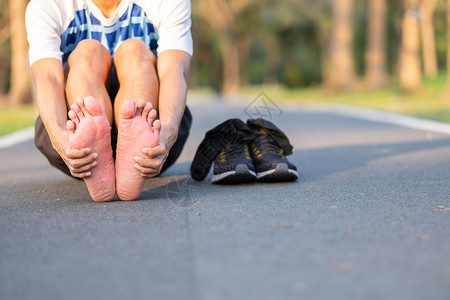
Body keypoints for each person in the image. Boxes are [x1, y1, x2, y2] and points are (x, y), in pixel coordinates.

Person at [26, 0, 193, 202]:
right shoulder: (48, 5)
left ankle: (134, 153)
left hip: (155, 138)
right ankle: (91, 138)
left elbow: (174, 70)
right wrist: (60, 137)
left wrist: (167, 133)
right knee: (87, 52)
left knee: (135, 51)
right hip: (74, 140)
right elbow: (47, 77)